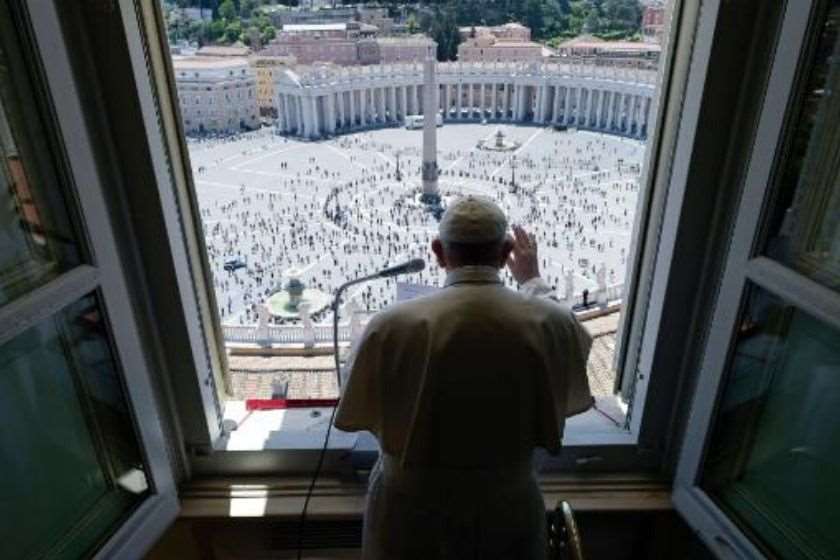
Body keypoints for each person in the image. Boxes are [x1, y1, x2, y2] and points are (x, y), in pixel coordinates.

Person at [334, 195, 594, 560]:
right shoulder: (550, 322)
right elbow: (573, 356)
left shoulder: (389, 325)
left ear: (439, 252)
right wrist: (532, 280)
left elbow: (356, 398)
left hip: (408, 512)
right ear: (506, 253)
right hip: (507, 508)